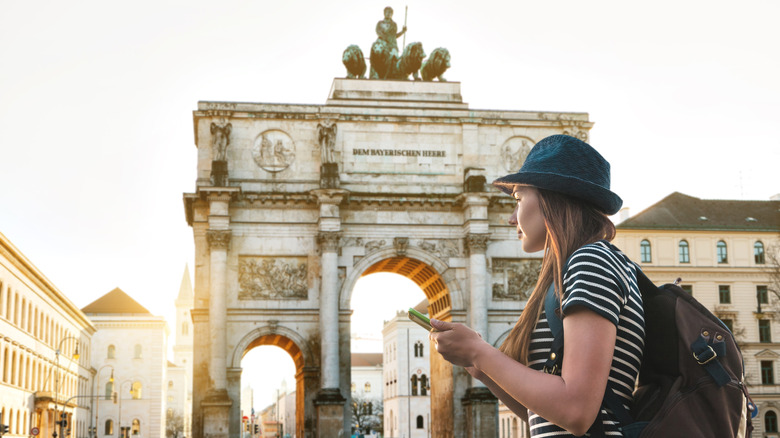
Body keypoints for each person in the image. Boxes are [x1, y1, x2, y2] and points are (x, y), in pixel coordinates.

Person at [430, 134, 645, 437]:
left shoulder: (591, 261)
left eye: (518, 199)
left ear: (551, 198)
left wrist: (481, 352)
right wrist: (482, 368)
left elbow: (576, 411)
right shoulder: (574, 268)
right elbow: (542, 414)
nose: (510, 218)